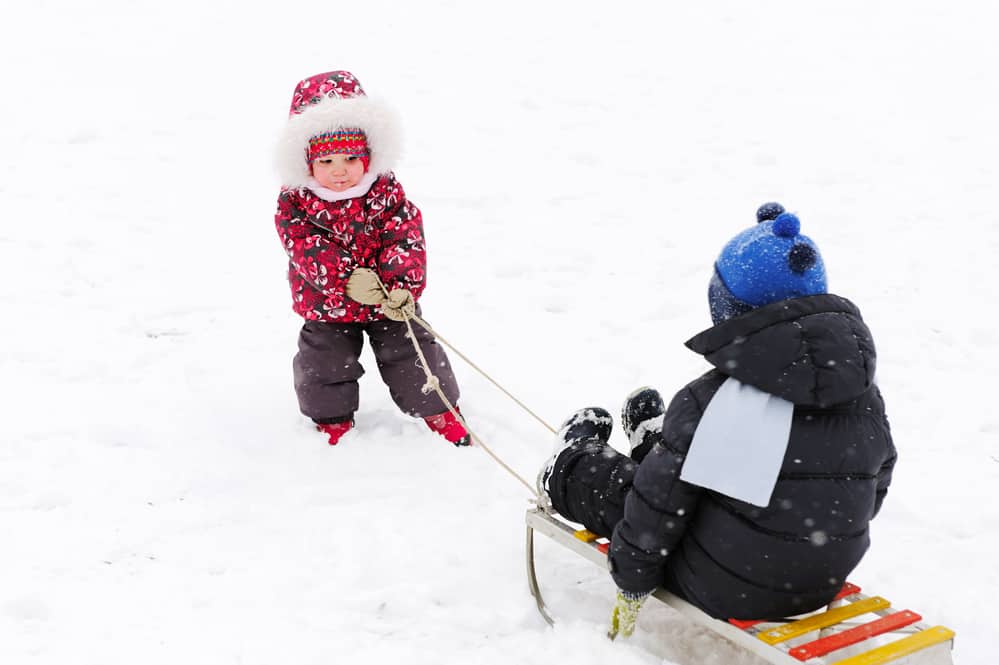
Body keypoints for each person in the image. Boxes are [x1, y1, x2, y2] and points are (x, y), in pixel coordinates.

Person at [537, 203, 897, 639]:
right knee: (698, 475)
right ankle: (658, 446)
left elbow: (653, 517)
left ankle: (569, 463)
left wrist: (632, 582)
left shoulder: (714, 401)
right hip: (820, 581)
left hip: (724, 585)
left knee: (627, 492)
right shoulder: (863, 395)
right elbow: (872, 490)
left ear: (733, 312)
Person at [273, 70, 469, 446]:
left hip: (387, 302)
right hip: (326, 304)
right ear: (306, 162)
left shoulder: (385, 191)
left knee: (414, 351)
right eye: (326, 161)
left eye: (350, 157)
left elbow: (404, 234)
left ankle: (439, 409)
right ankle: (332, 420)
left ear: (369, 154)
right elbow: (304, 244)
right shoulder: (295, 202)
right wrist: (345, 279)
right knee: (324, 364)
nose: (340, 170)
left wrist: (401, 285)